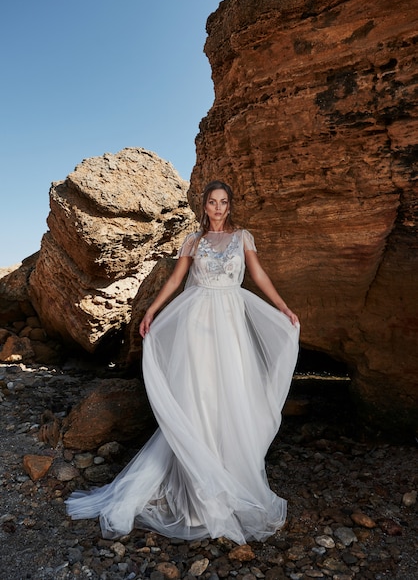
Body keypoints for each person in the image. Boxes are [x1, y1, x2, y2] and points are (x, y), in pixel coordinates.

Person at [66, 180, 300, 545]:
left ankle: (227, 477)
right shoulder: (192, 240)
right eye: (212, 202)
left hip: (231, 321)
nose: (218, 208)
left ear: (230, 205)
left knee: (231, 394)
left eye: (224, 202)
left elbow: (257, 276)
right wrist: (152, 311)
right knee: (200, 396)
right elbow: (177, 278)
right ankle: (197, 492)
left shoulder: (243, 238)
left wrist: (283, 307)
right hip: (199, 322)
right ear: (204, 206)